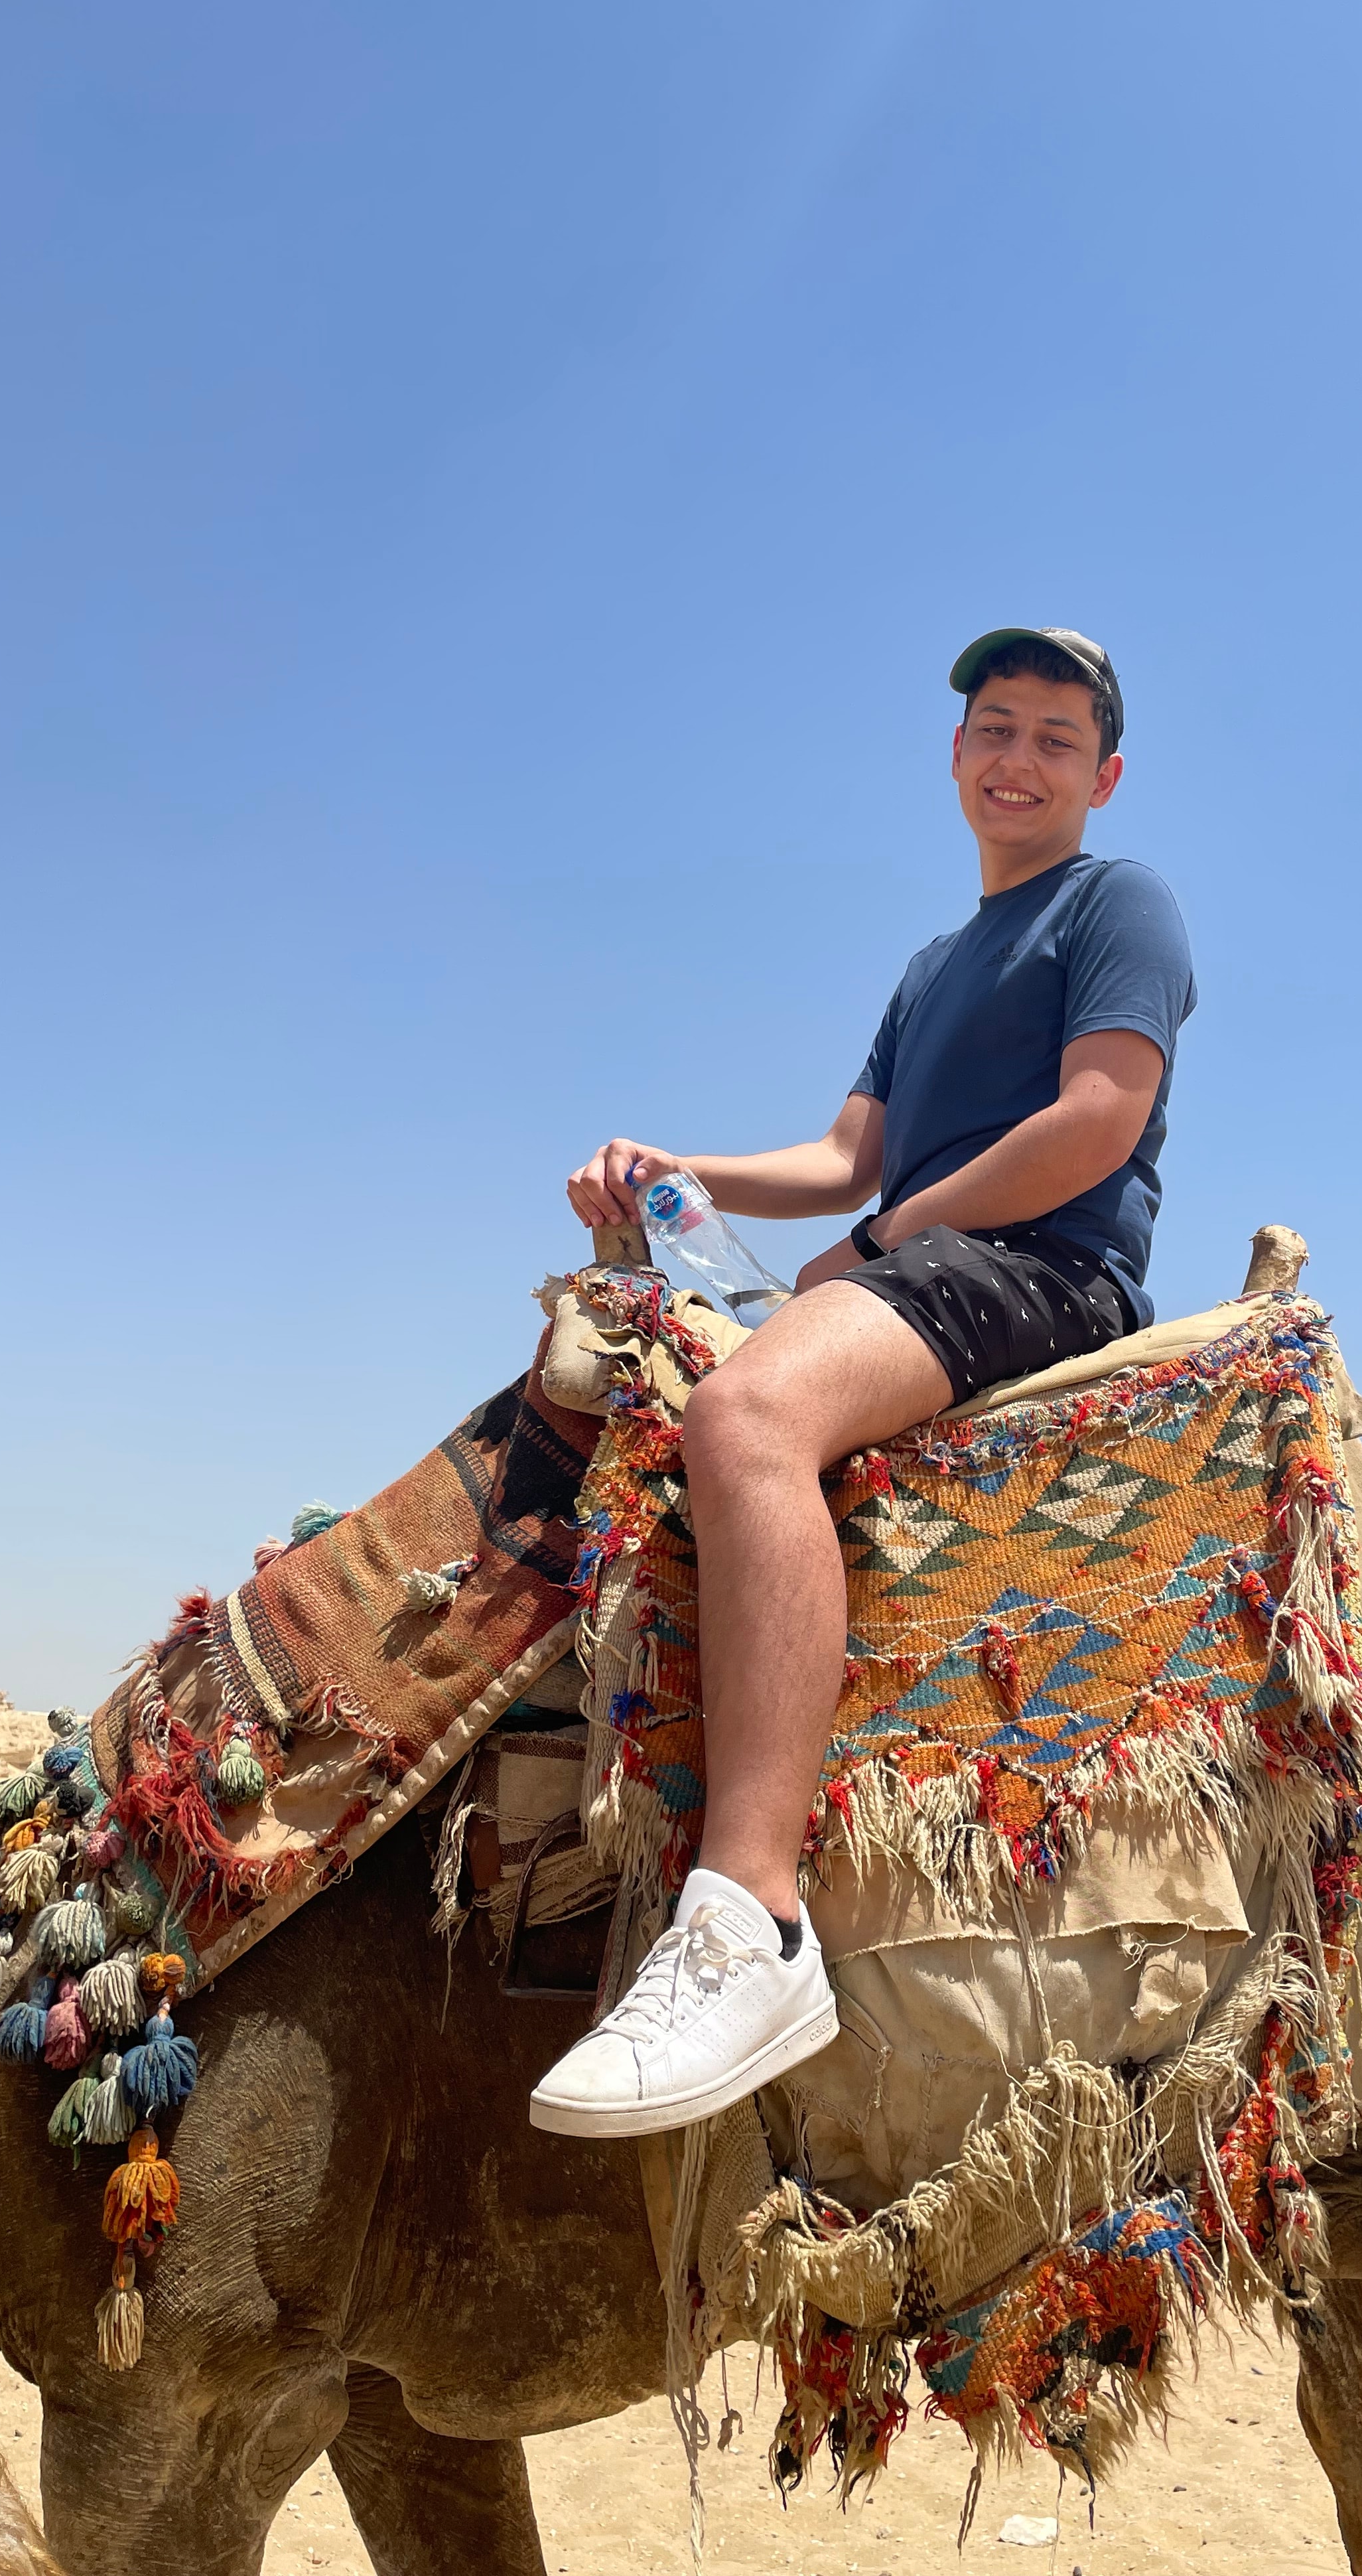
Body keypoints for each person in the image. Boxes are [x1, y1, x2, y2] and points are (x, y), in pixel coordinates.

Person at [529, 628, 1195, 2139]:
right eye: (995, 728)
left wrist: (884, 1243)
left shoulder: (1120, 903)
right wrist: (680, 1169)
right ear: (955, 754)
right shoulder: (931, 968)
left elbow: (1097, 1121)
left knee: (747, 1412)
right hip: (925, 1258)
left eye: (1056, 739)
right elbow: (845, 1158)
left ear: (1104, 776)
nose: (1018, 760)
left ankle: (753, 1917)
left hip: (1042, 1267)